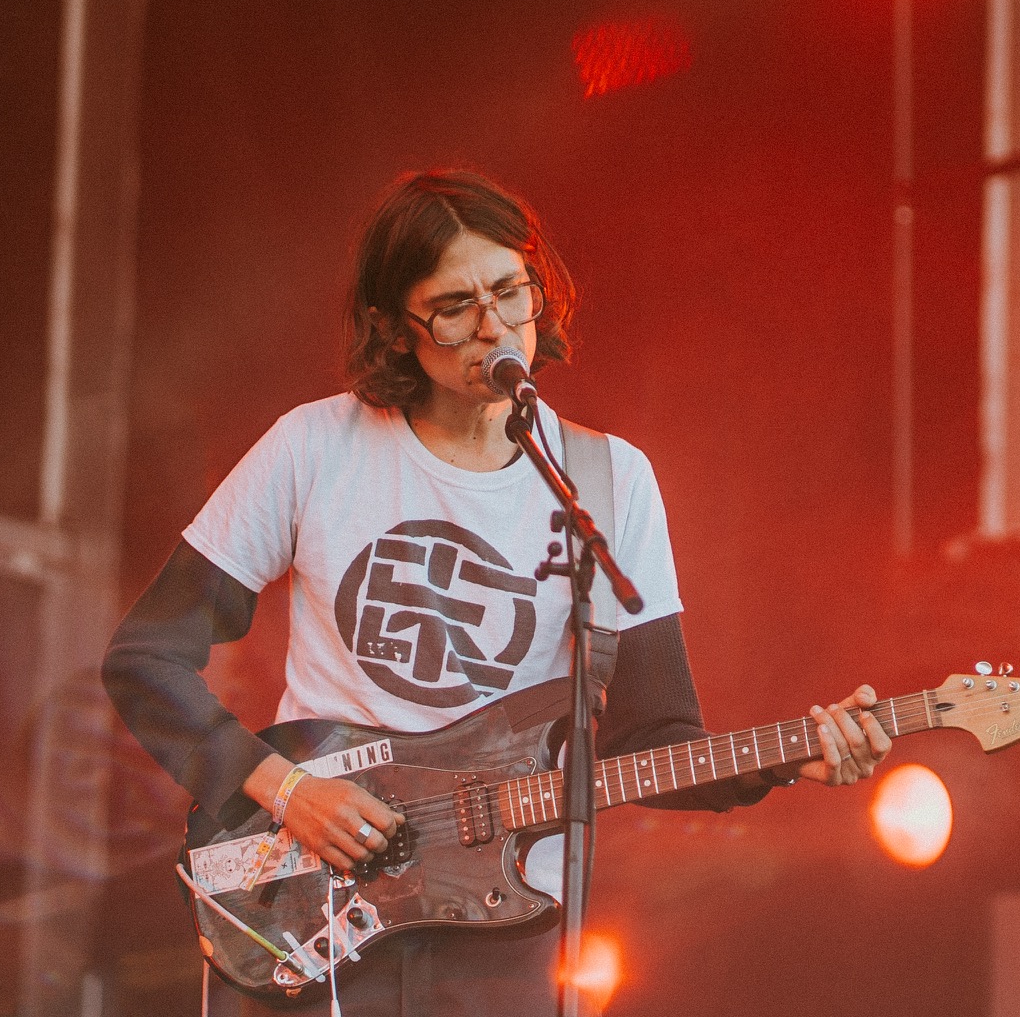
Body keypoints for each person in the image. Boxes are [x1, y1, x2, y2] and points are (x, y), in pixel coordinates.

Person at [102, 170, 891, 1015]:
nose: (493, 327)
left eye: (511, 291)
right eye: (453, 306)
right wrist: (284, 789)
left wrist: (783, 762)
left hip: (506, 933)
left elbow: (649, 739)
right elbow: (146, 658)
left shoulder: (606, 481)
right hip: (316, 902)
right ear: (392, 330)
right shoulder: (314, 448)